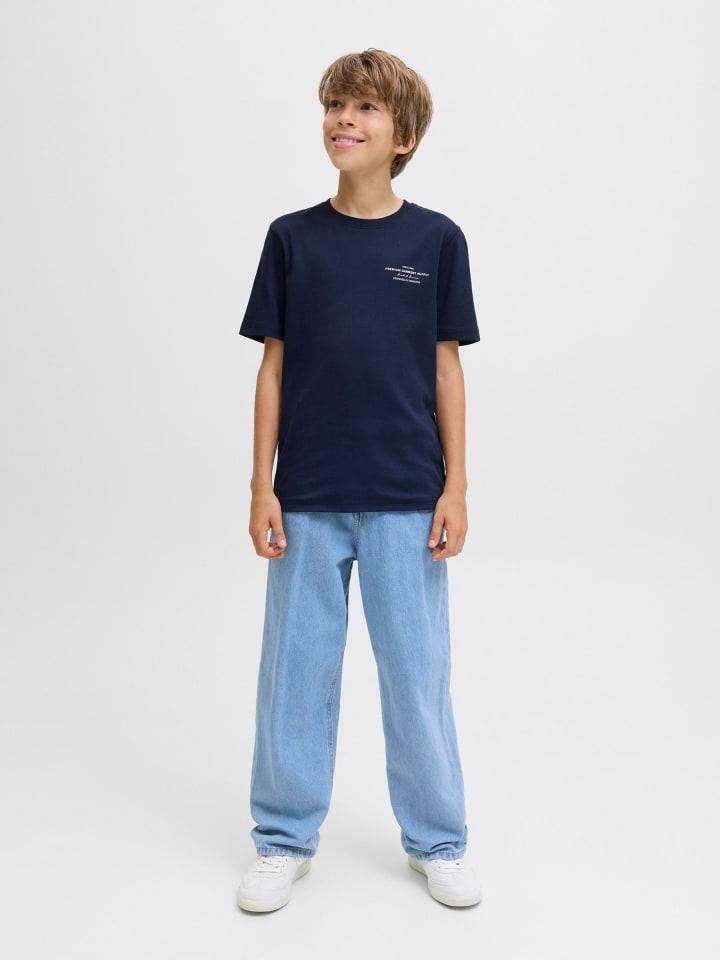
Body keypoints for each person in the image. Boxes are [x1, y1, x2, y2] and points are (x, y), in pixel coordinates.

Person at [235, 48, 483, 912]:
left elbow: (447, 369)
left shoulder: (437, 241)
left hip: (408, 495)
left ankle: (439, 840)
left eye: (366, 108)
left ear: (403, 135)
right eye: (336, 104)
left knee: (416, 674)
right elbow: (273, 367)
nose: (345, 118)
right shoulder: (292, 239)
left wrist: (456, 487)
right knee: (296, 675)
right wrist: (261, 486)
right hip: (306, 496)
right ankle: (281, 838)